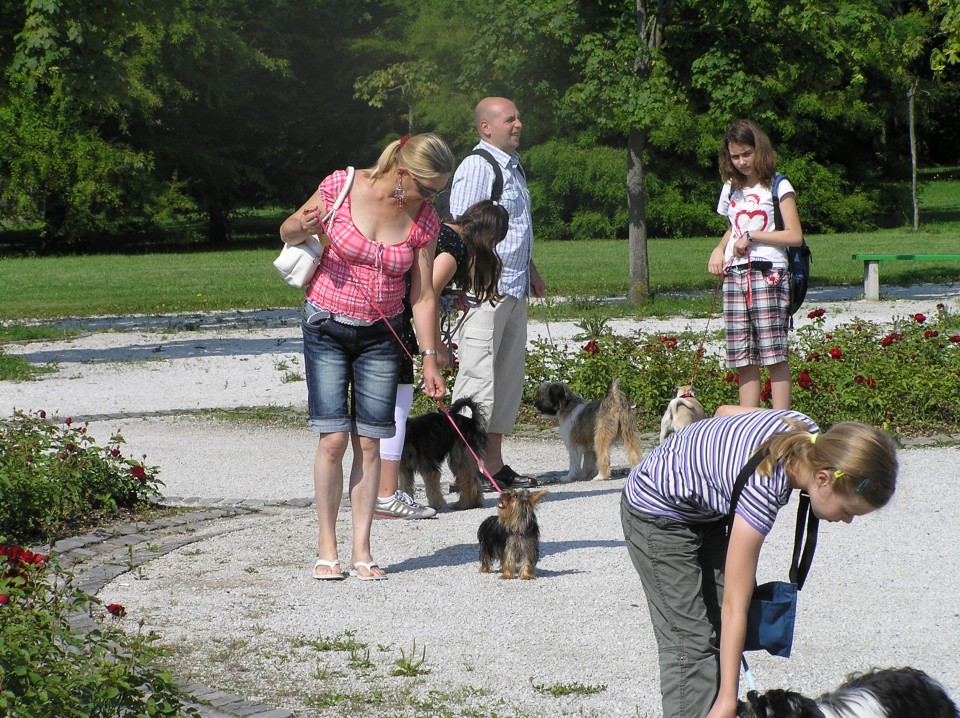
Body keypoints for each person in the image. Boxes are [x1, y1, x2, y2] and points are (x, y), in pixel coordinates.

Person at [620, 406, 898, 718]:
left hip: (702, 506)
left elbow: (724, 411)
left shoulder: (807, 430)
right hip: (655, 511)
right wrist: (728, 698)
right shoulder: (762, 489)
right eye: (850, 511)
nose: (847, 521)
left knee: (718, 625)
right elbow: (734, 607)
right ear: (823, 479)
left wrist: (709, 466)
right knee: (691, 642)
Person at [279, 133, 452, 579]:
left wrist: (430, 357)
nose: (432, 198)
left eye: (439, 191)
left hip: (382, 334)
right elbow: (288, 230)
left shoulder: (424, 221)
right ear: (402, 173)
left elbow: (423, 294)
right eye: (428, 188)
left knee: (370, 442)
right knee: (333, 439)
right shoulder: (341, 184)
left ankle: (362, 549)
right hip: (326, 326)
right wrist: (304, 226)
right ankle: (326, 546)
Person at [375, 199, 509, 518]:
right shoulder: (456, 248)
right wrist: (434, 349)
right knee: (394, 409)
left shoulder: (444, 230)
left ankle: (384, 491)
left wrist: (450, 295)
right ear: (486, 235)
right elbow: (426, 294)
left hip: (384, 309)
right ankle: (388, 494)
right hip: (394, 322)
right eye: (495, 242)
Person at [448, 96, 545, 490]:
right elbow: (462, 230)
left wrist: (532, 270)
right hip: (484, 290)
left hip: (513, 286)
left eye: (518, 117)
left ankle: (494, 464)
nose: (518, 123)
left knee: (506, 378)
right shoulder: (478, 166)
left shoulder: (513, 167)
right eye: (510, 119)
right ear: (486, 128)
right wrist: (471, 282)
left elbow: (514, 229)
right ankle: (466, 468)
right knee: (476, 376)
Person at [708, 120, 804, 410]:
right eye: (735, 156)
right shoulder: (731, 188)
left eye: (746, 154)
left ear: (759, 149)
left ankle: (781, 426)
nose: (742, 161)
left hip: (768, 275)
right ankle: (748, 425)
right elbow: (734, 228)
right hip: (735, 275)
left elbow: (795, 236)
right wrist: (719, 248)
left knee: (773, 355)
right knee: (742, 358)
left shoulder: (777, 184)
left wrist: (752, 237)